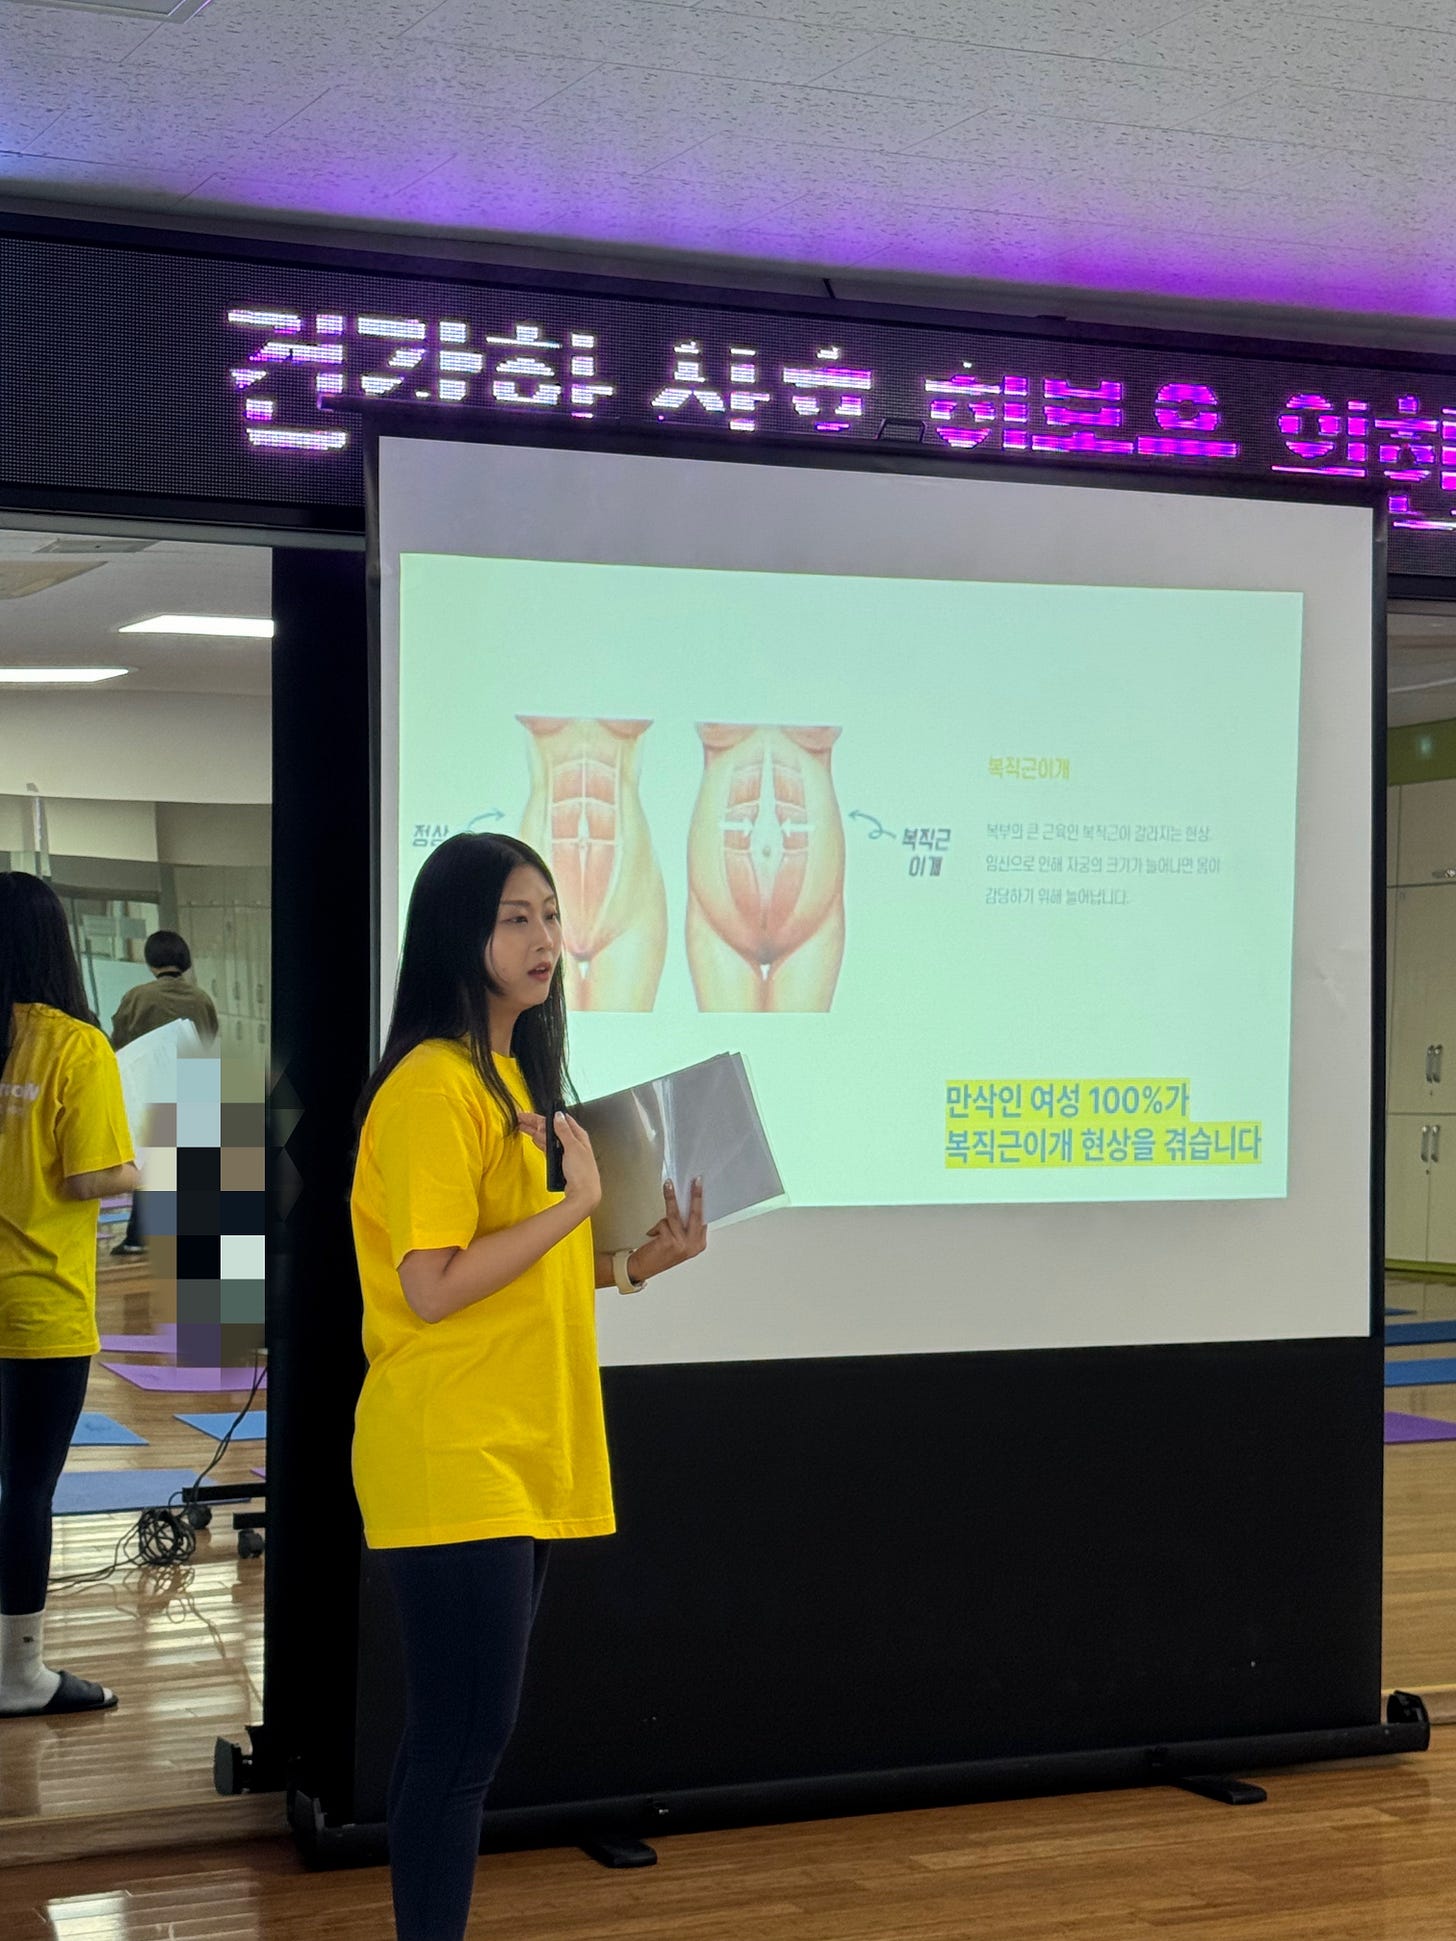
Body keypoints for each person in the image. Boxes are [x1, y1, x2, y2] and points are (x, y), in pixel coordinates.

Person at [352, 833, 706, 1941]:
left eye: (550, 914)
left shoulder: (507, 1076)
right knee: (460, 1747)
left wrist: (631, 1261)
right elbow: (432, 1284)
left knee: (460, 1741)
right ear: (458, 933)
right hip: (454, 1449)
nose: (545, 938)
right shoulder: (433, 1086)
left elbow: (515, 1270)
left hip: (511, 1444)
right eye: (516, 917)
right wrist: (574, 1205)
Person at [0, 872, 138, 1716]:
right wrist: (142, 1165)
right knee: (25, 1488)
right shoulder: (72, 1046)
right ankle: (19, 1674)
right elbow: (91, 1175)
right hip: (38, 1305)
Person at [109, 929, 218, 1257]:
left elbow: (119, 1044)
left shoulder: (137, 997)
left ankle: (138, 1236)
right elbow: (209, 1040)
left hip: (149, 1089)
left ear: (151, 960)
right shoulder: (201, 999)